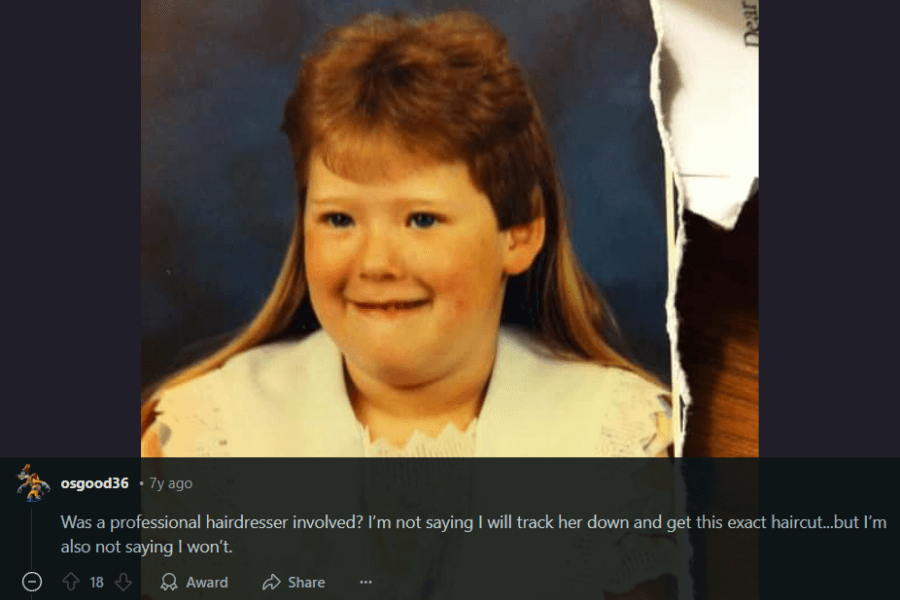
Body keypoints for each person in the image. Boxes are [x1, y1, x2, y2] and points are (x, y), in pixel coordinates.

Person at [140, 10, 672, 459]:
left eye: (421, 219)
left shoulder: (617, 440)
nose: (377, 263)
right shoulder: (209, 437)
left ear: (520, 233)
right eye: (340, 219)